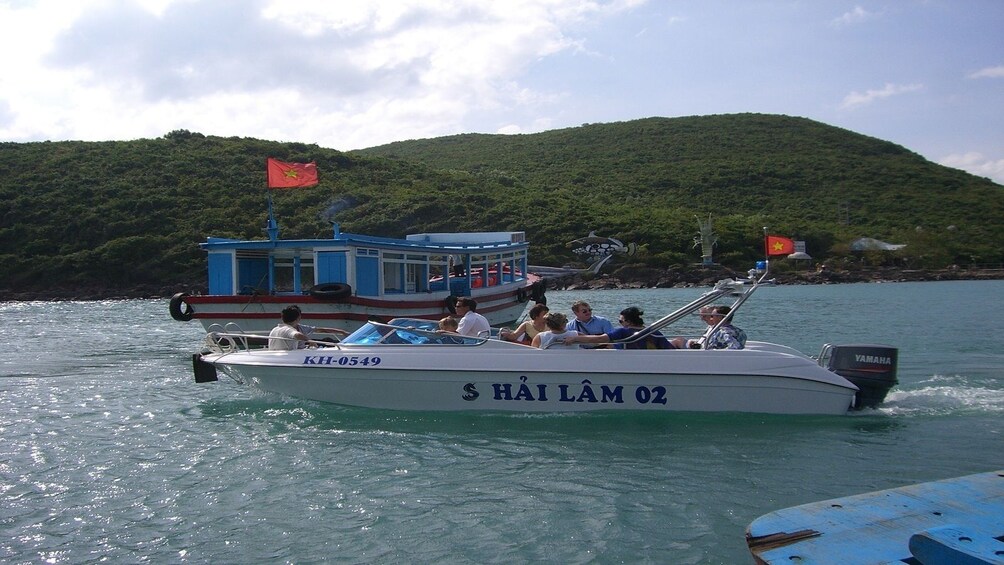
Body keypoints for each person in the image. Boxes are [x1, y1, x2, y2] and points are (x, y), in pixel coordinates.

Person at [563, 306, 674, 350]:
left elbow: (599, 339)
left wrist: (574, 339)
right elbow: (669, 348)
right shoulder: (653, 331)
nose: (620, 323)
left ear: (628, 321)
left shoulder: (622, 332)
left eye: (621, 321)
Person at [268, 305, 348, 350]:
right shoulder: (289, 330)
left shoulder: (275, 329)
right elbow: (297, 335)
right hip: (292, 356)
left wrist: (341, 332)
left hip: (285, 354)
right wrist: (310, 341)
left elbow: (320, 330)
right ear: (298, 318)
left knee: (326, 341)